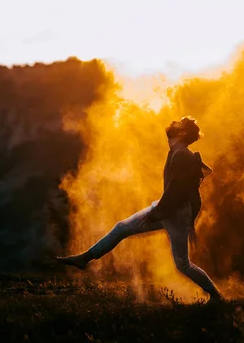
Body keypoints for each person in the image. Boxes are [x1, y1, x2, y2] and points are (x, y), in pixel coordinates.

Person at [55, 116, 222, 303]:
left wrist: (157, 214)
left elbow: (177, 191)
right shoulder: (178, 152)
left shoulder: (182, 154)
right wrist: (181, 218)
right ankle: (85, 258)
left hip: (174, 214)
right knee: (122, 228)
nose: (173, 123)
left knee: (183, 264)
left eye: (178, 123)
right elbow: (189, 192)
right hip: (169, 209)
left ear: (182, 133)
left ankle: (216, 295)